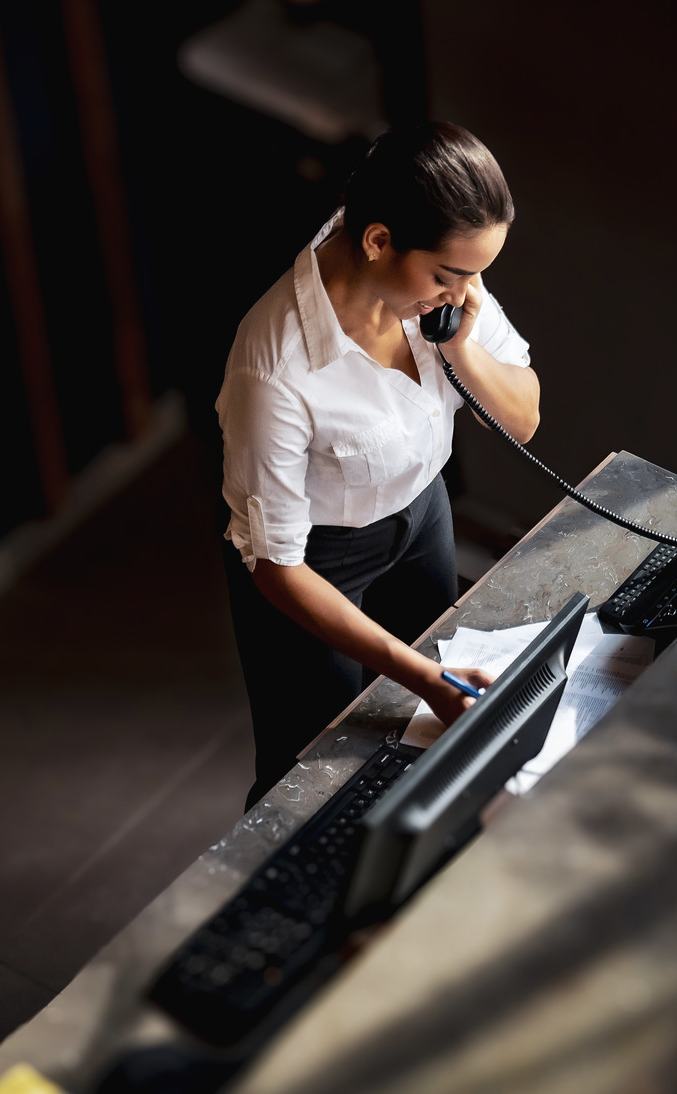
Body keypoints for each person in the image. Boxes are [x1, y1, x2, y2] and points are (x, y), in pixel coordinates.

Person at [218, 122, 541, 810]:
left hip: (422, 517)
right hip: (314, 562)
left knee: (430, 728)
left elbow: (521, 419)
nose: (465, 292)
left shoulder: (446, 286)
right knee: (309, 772)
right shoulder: (274, 366)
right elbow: (276, 565)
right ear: (376, 241)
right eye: (449, 276)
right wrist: (417, 674)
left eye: (476, 274)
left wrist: (459, 347)